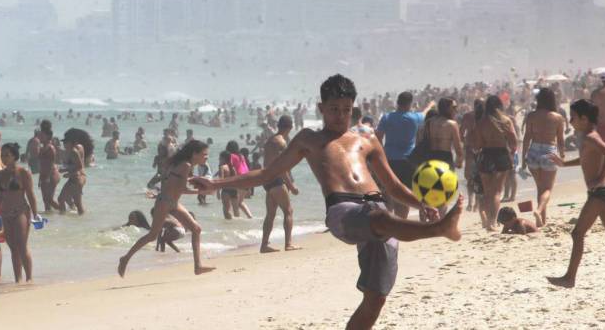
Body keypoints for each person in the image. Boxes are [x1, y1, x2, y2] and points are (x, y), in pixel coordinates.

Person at [191, 75, 462, 330]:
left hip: (377, 207)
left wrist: (421, 204)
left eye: (346, 109)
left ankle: (436, 226)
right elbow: (266, 173)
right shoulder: (310, 140)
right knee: (379, 220)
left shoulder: (367, 140)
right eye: (334, 109)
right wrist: (216, 184)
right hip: (343, 210)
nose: (340, 116)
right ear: (321, 107)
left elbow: (392, 185)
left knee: (375, 298)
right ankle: (439, 229)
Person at [547, 99, 605, 287]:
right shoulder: (587, 137)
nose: (570, 121)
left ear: (584, 119)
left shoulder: (592, 137)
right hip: (602, 192)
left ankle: (569, 278)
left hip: (601, 192)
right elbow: (585, 159)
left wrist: (600, 177)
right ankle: (569, 278)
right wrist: (564, 164)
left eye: (573, 117)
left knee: (577, 234)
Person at [118, 140, 213, 277]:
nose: (207, 157)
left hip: (172, 203)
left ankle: (198, 266)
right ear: (194, 154)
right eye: (204, 154)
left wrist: (199, 181)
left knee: (196, 229)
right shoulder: (185, 165)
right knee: (152, 235)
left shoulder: (184, 165)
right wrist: (202, 192)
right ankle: (125, 258)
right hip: (164, 203)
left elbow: (175, 183)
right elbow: (182, 189)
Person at [375, 92, 432, 218]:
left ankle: (394, 221)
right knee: (406, 194)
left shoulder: (387, 117)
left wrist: (382, 153)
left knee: (392, 192)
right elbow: (424, 113)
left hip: (390, 160)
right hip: (408, 161)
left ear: (397, 102)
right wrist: (430, 105)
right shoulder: (414, 118)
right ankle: (403, 222)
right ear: (410, 104)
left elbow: (378, 137)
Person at [469, 95, 517, 230]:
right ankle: (492, 221)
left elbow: (477, 145)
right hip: (501, 155)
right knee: (497, 192)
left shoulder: (481, 122)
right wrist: (512, 153)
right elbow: (513, 141)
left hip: (486, 156)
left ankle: (486, 219)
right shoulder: (505, 120)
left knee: (487, 192)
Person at [0, 142, 40, 283]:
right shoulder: (1, 175)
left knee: (21, 245)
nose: (3, 158)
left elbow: (30, 194)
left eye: (7, 155)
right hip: (5, 214)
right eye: (2, 155)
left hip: (21, 211)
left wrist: (35, 213)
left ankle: (29, 278)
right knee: (13, 248)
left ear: (14, 156)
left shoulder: (23, 173)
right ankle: (18, 279)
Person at [521, 88, 566, 227]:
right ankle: (539, 211)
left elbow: (526, 137)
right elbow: (560, 140)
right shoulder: (557, 117)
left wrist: (523, 158)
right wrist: (562, 156)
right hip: (548, 151)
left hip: (533, 151)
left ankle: (541, 221)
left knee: (540, 188)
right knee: (547, 189)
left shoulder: (531, 116)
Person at [413, 99, 464, 217]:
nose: (456, 110)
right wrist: (460, 160)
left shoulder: (427, 123)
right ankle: (438, 221)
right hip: (444, 158)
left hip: (429, 158)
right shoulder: (451, 124)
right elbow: (458, 147)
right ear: (446, 108)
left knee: (425, 191)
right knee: (444, 192)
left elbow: (418, 144)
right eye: (454, 107)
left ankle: (424, 220)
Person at [261, 116, 300, 252]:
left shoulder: (270, 141)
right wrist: (291, 185)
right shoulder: (281, 142)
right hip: (277, 179)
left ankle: (264, 245)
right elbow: (281, 166)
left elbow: (267, 163)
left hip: (267, 180)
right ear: (290, 127)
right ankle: (288, 244)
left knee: (270, 214)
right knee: (288, 210)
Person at [57, 129, 88, 215]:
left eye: (66, 142)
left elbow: (79, 166)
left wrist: (68, 173)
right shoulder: (75, 149)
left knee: (63, 199)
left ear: (72, 143)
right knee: (65, 199)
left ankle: (64, 217)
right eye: (64, 142)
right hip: (76, 178)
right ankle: (75, 218)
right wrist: (64, 170)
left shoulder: (74, 151)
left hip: (77, 179)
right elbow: (76, 165)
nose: (64, 144)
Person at [38, 124, 61, 212]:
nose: (39, 136)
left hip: (51, 175)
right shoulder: (43, 147)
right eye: (40, 135)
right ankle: (50, 219)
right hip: (45, 175)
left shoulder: (50, 148)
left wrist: (46, 178)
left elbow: (51, 163)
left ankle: (63, 212)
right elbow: (42, 164)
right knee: (45, 200)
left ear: (47, 136)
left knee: (49, 199)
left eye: (42, 135)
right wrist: (41, 178)